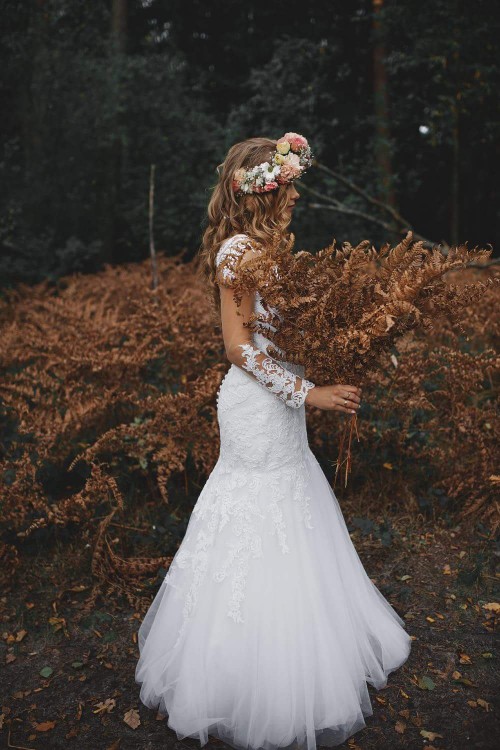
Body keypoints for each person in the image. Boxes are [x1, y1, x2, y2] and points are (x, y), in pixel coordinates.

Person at [135, 133, 411, 750]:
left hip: (282, 403)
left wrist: (342, 346)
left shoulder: (269, 250)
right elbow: (238, 347)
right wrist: (308, 392)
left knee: (293, 501)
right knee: (257, 509)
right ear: (261, 192)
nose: (296, 196)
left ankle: (307, 649)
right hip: (257, 408)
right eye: (288, 186)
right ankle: (246, 673)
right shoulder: (237, 252)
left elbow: (284, 332)